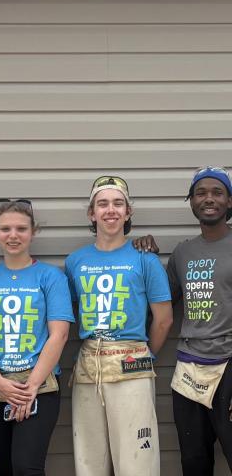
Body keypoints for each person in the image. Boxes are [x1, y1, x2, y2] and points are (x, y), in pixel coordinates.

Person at [65, 175, 173, 476]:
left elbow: (163, 319)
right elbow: (68, 310)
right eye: (102, 204)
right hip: (89, 363)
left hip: (131, 359)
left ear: (128, 212)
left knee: (137, 459)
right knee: (89, 459)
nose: (110, 210)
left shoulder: (145, 260)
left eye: (117, 203)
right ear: (91, 213)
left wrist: (146, 355)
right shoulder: (76, 261)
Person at [0, 199, 73, 476]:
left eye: (21, 228)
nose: (13, 235)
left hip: (39, 384)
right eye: (5, 229)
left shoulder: (51, 277)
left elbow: (59, 334)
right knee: (5, 467)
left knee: (26, 467)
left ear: (33, 232)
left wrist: (31, 387)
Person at [166, 166, 232, 475]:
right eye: (201, 193)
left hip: (229, 365)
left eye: (217, 192)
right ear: (191, 201)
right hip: (189, 368)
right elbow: (163, 304)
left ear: (229, 202)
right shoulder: (182, 253)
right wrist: (142, 256)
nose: (209, 199)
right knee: (193, 461)